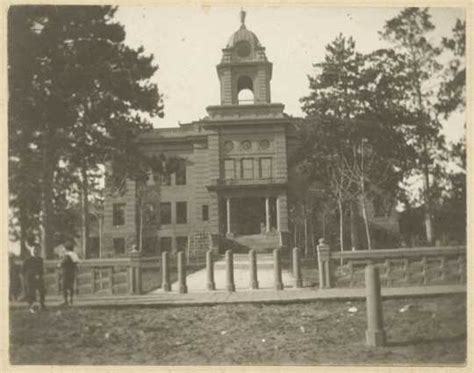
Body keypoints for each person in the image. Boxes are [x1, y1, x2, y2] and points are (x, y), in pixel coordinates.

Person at [22, 244, 46, 312]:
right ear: (31, 251)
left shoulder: (40, 260)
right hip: (30, 279)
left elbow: (41, 269)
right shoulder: (27, 260)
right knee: (31, 292)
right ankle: (31, 306)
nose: (36, 251)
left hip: (39, 278)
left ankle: (42, 304)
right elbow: (23, 271)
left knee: (42, 290)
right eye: (34, 249)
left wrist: (41, 275)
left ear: (40, 251)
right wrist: (27, 278)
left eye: (37, 250)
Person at [61, 240, 80, 306]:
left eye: (63, 248)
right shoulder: (74, 254)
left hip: (66, 272)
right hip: (72, 272)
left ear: (66, 248)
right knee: (70, 286)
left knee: (64, 286)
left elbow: (62, 263)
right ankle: (71, 300)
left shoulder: (67, 255)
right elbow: (77, 263)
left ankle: (65, 300)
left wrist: (59, 264)